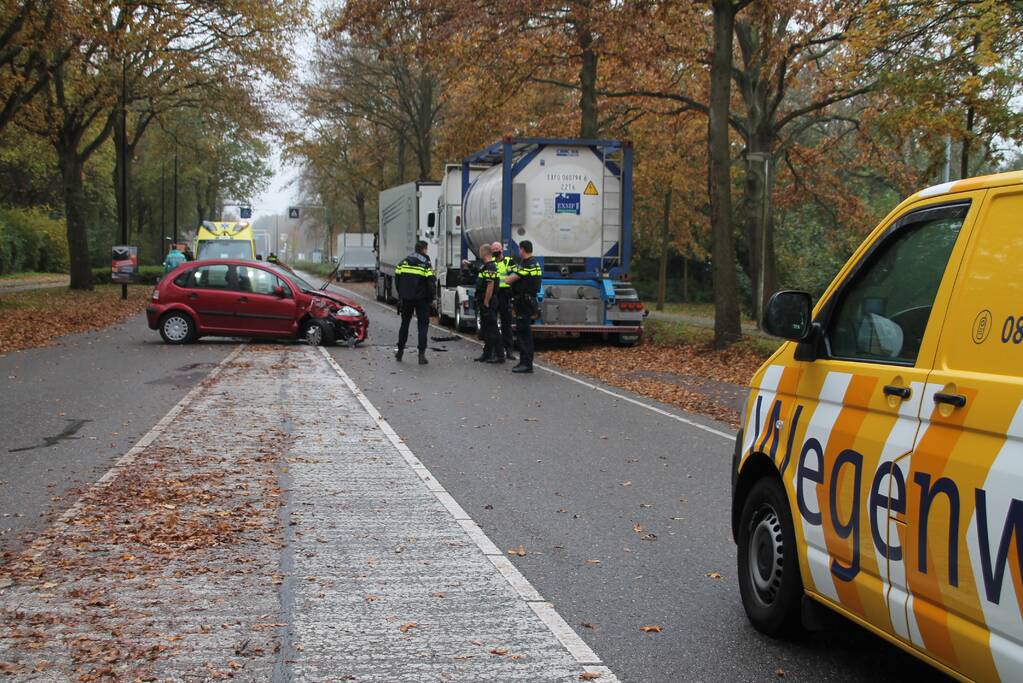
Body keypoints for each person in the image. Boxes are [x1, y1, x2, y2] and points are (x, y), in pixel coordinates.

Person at [503, 240, 542, 373]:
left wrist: (504, 277)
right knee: (525, 332)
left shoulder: (528, 265)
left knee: (523, 333)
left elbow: (509, 280)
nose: (519, 251)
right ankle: (526, 362)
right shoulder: (533, 262)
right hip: (528, 300)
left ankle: (526, 363)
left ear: (522, 249)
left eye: (519, 249)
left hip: (524, 302)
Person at [394, 240, 435, 365]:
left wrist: (401, 294)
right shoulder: (426, 264)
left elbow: (397, 279)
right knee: (422, 326)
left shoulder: (404, 262)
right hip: (422, 300)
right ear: (423, 249)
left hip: (406, 299)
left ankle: (400, 351)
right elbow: (431, 283)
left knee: (404, 324)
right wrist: (430, 299)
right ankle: (421, 355)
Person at [474, 243, 503, 363]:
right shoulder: (486, 266)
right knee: (486, 329)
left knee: (493, 329)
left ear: (484, 253)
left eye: (480, 251)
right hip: (484, 300)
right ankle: (487, 353)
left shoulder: (490, 267)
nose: (479, 254)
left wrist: (486, 301)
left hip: (489, 301)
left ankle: (499, 355)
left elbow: (490, 286)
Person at [490, 241, 517, 361]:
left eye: (497, 248)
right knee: (493, 324)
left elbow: (514, 275)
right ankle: (495, 350)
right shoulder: (491, 263)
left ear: (501, 249)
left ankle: (509, 350)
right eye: (493, 249)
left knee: (506, 324)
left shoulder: (508, 261)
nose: (495, 250)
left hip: (505, 295)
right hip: (494, 294)